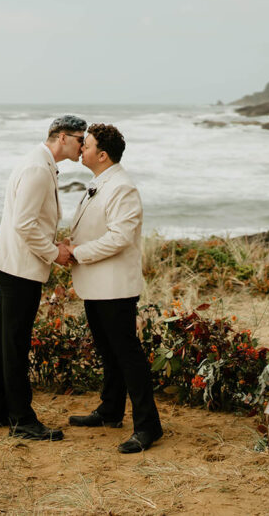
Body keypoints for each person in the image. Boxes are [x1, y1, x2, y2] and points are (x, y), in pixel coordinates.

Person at [0, 115, 86, 441]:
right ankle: (22, 420)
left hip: (13, 263)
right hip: (20, 268)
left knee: (1, 342)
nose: (83, 146)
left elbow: (28, 222)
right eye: (80, 139)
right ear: (63, 138)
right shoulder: (38, 170)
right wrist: (54, 253)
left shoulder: (38, 163)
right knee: (14, 344)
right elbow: (25, 224)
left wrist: (52, 244)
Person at [63, 123, 163, 453]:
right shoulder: (100, 182)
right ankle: (110, 410)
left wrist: (77, 252)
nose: (81, 149)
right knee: (109, 353)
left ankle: (148, 426)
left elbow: (120, 238)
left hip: (115, 287)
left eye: (87, 145)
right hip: (96, 286)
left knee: (128, 356)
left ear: (102, 155)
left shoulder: (122, 187)